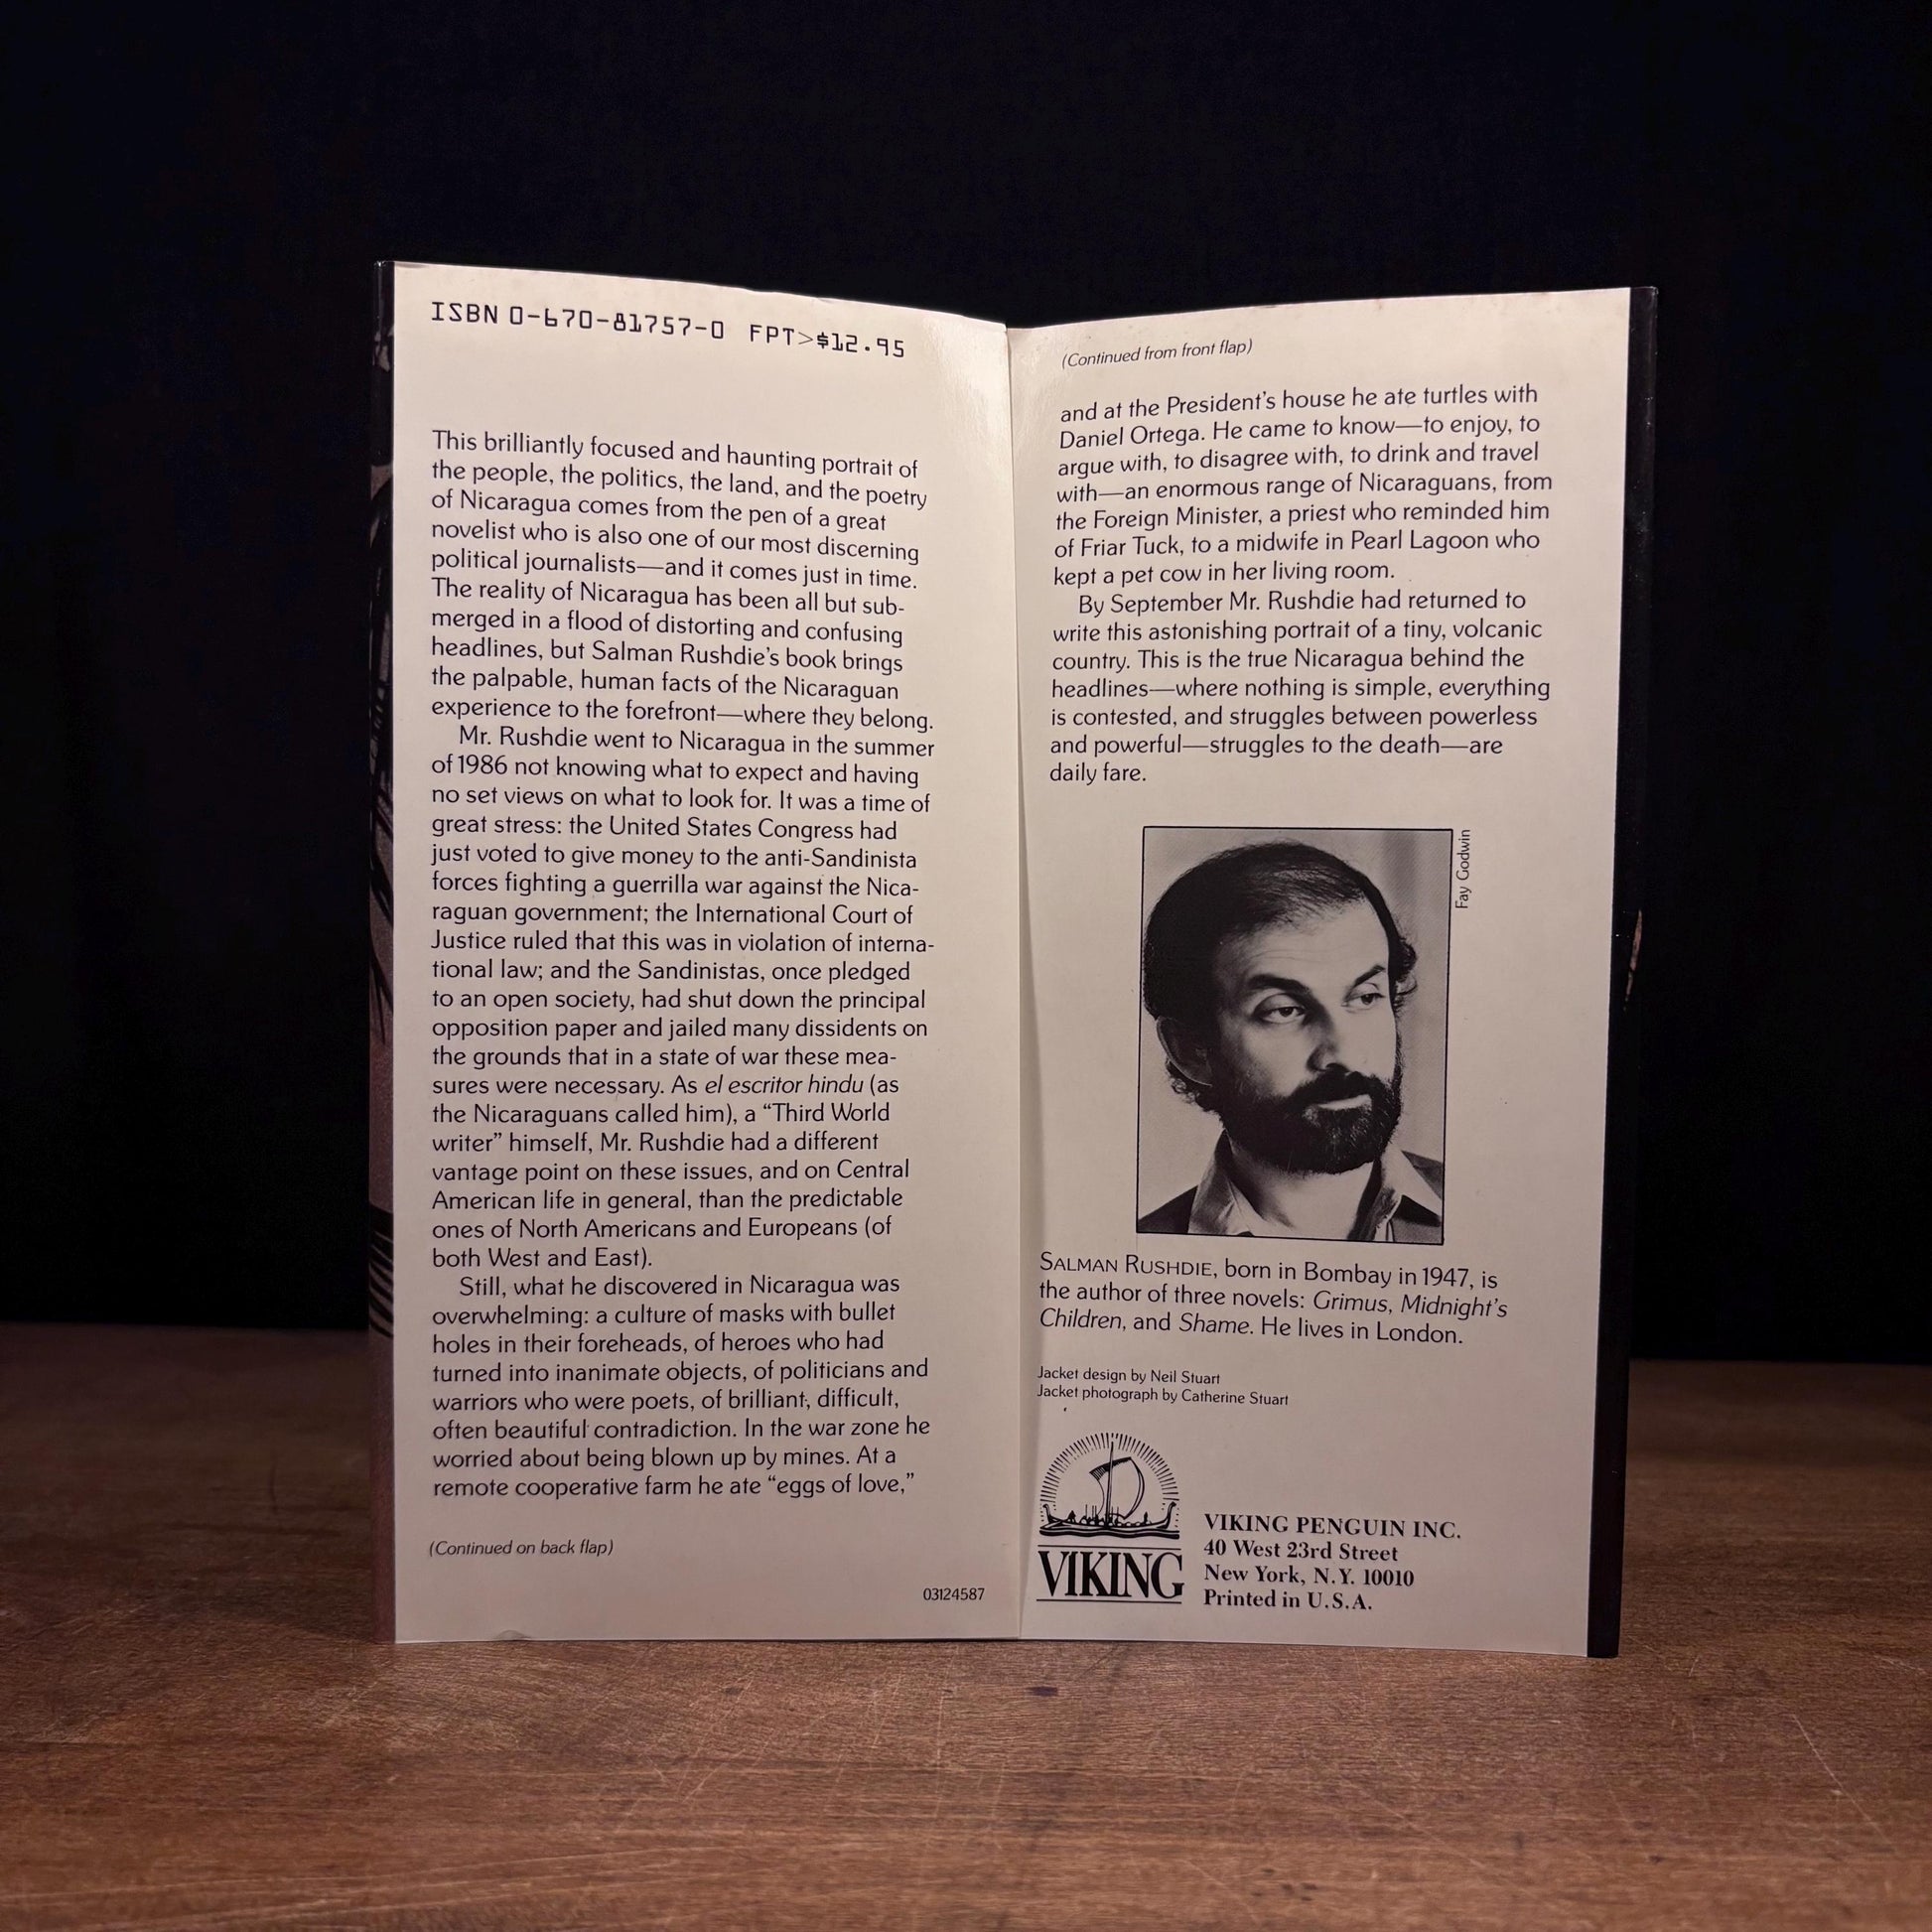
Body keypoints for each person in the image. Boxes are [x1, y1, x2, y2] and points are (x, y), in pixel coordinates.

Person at [1138, 839, 1443, 1242]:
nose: (1343, 1052)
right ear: (1190, 1050)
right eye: (1284, 1010)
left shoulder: (1493, 1211)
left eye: (1366, 997)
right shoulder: (1145, 1250)